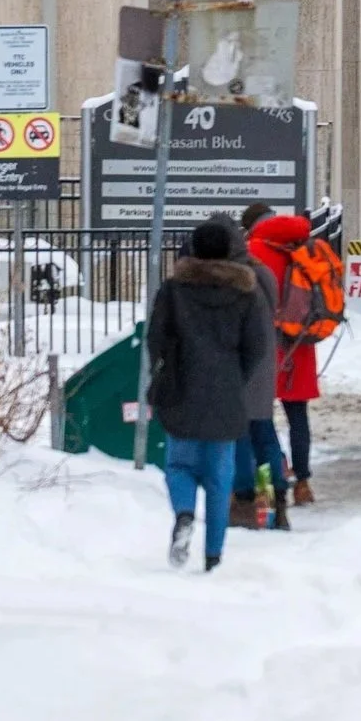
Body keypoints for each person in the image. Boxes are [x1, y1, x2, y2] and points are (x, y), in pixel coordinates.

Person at [146, 215, 269, 573]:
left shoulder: (174, 290)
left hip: (180, 388)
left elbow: (156, 338)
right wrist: (235, 375)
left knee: (179, 464)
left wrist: (166, 366)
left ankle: (184, 513)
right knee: (219, 476)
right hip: (227, 391)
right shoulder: (246, 294)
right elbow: (257, 347)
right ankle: (213, 555)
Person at [243, 204, 321, 508]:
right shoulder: (302, 246)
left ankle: (272, 477)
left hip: (263, 345)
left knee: (259, 419)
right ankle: (303, 483)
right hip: (299, 343)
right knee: (298, 417)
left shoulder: (253, 252)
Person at [229, 202, 290, 532]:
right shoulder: (262, 270)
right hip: (266, 361)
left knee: (239, 435)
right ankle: (277, 497)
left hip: (239, 363)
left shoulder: (233, 277)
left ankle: (244, 499)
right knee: (265, 433)